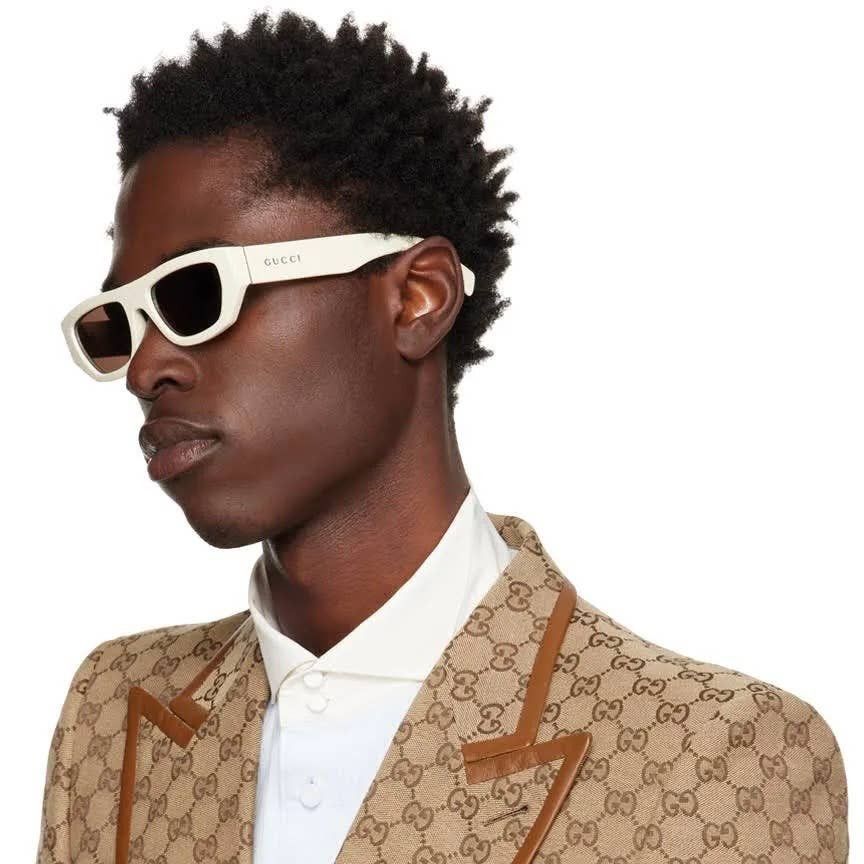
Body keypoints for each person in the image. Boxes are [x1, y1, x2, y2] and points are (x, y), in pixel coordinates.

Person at [39, 9, 848, 864]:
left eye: (196, 294)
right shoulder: (111, 719)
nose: (146, 368)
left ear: (417, 297)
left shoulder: (715, 758)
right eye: (119, 324)